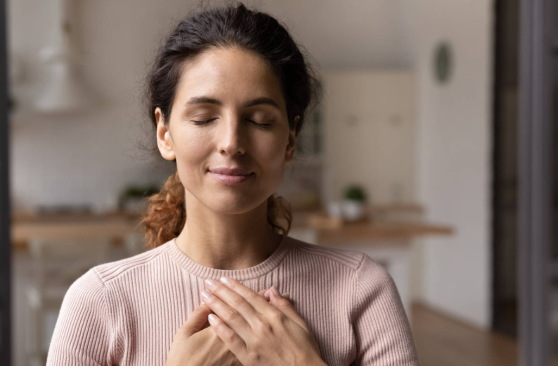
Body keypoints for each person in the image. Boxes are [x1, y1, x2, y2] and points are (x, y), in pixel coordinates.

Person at [46, 3, 420, 365]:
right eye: (204, 117)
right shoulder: (100, 302)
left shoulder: (361, 290)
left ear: (290, 139)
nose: (231, 142)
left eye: (259, 120)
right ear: (165, 133)